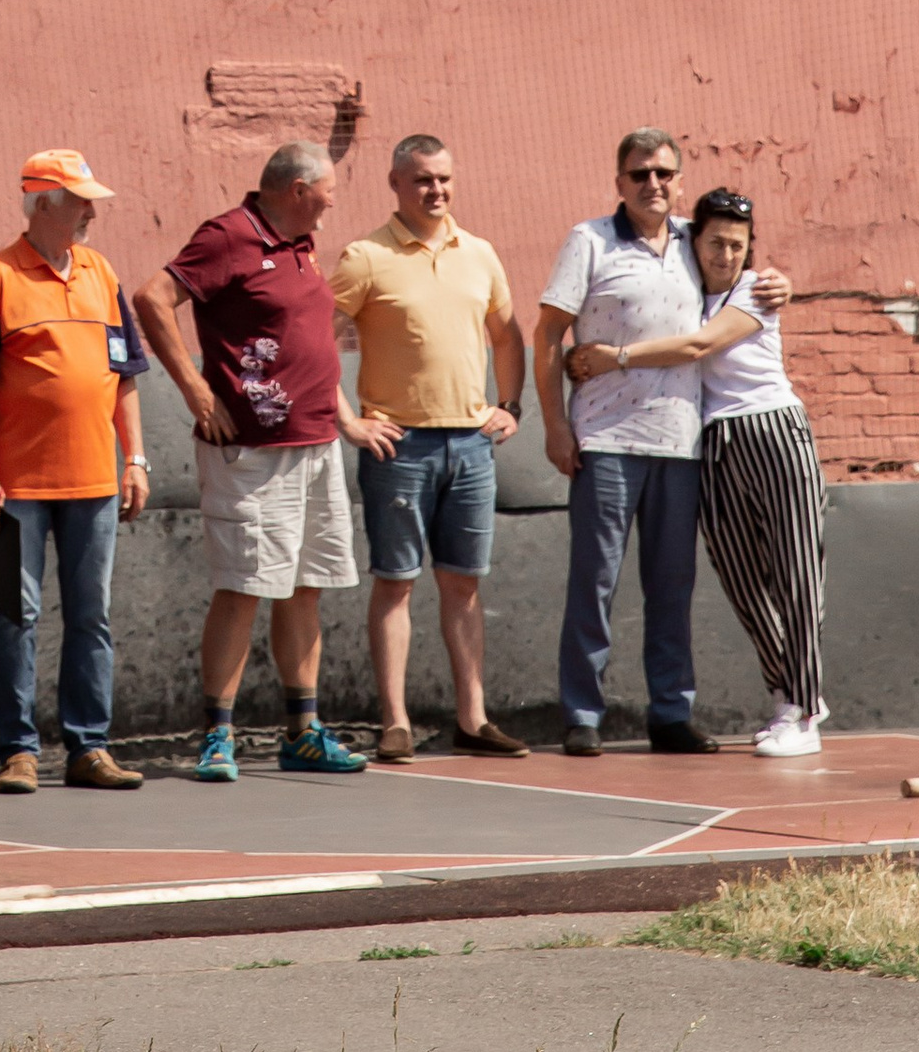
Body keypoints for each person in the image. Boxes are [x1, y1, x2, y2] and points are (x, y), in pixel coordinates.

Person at [132, 138, 388, 782]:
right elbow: (151, 298)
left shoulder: (303, 244)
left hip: (316, 445)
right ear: (298, 190)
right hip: (252, 452)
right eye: (328, 191)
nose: (333, 202)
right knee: (243, 586)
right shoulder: (227, 236)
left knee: (305, 587)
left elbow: (307, 342)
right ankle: (217, 735)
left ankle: (303, 732)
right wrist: (196, 391)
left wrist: (347, 420)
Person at [535, 130, 791, 759]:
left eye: (664, 173)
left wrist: (779, 282)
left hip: (681, 442)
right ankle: (582, 714)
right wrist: (555, 428)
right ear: (619, 182)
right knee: (595, 582)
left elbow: (739, 268)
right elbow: (546, 335)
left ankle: (671, 713)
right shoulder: (589, 240)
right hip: (605, 438)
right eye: (640, 173)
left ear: (679, 181)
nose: (653, 184)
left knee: (672, 588)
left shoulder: (693, 240)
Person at [568, 185, 827, 756]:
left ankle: (804, 711)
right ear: (694, 241)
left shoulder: (754, 290)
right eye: (716, 243)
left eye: (738, 245)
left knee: (796, 574)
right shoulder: (685, 278)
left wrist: (615, 357)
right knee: (740, 578)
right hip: (714, 441)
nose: (726, 254)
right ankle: (790, 690)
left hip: (772, 429)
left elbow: (699, 346)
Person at [0, 145, 151, 794]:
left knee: (92, 616)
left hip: (96, 482)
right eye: (81, 201)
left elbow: (124, 377)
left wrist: (136, 458)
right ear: (43, 204)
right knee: (18, 615)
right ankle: (19, 751)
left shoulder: (102, 272)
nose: (92, 212)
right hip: (16, 489)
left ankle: (89, 746)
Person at [329, 132, 530, 763]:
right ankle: (395, 723)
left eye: (443, 178)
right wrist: (348, 421)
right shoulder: (365, 257)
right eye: (421, 179)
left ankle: (474, 718)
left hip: (471, 444)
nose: (435, 190)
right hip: (399, 446)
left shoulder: (481, 253)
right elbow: (313, 339)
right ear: (395, 184)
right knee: (396, 583)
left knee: (463, 585)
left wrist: (511, 405)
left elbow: (508, 336)